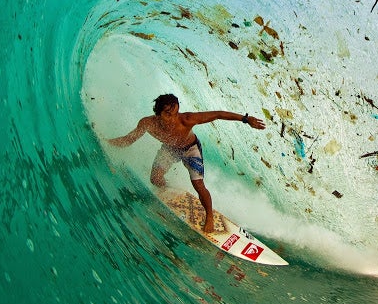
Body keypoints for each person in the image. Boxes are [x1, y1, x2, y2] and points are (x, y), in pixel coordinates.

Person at [106, 94, 265, 233]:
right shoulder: (147, 123)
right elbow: (128, 140)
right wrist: (105, 141)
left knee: (198, 185)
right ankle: (169, 190)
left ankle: (209, 215)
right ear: (158, 113)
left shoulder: (186, 120)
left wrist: (245, 119)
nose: (172, 118)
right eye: (168, 114)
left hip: (190, 150)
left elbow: (217, 114)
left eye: (175, 113)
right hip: (169, 149)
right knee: (155, 179)